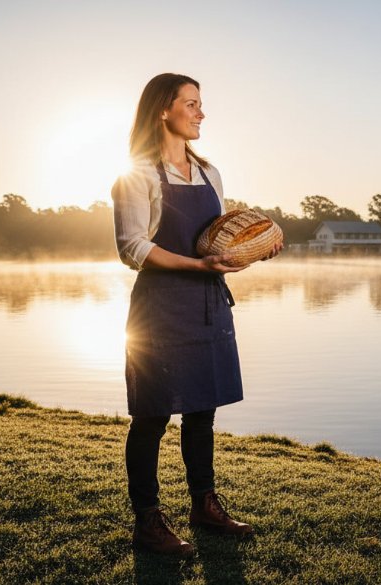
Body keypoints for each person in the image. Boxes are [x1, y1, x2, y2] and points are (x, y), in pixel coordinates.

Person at [111, 73, 280, 556]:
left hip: (208, 303)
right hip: (160, 307)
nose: (201, 112)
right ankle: (147, 521)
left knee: (202, 410)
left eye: (201, 103)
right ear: (163, 110)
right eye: (191, 103)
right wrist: (199, 265)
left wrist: (255, 247)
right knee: (151, 416)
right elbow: (132, 247)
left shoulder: (210, 174)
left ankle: (204, 506)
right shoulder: (136, 174)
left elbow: (220, 241)